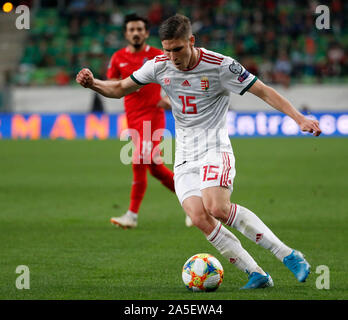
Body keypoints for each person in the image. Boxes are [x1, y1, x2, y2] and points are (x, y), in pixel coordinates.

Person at [76, 14, 322, 289]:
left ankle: (288, 255)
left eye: (178, 49)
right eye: (167, 49)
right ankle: (256, 274)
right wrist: (93, 84)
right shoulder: (158, 66)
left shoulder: (221, 66)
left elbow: (263, 91)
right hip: (184, 154)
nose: (172, 57)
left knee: (217, 206)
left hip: (215, 148)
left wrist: (299, 118)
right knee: (197, 216)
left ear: (191, 41)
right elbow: (121, 87)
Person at [106, 14, 192, 228]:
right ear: (126, 33)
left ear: (146, 33)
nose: (135, 33)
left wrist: (169, 100)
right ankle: (194, 203)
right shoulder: (117, 58)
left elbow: (179, 78)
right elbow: (113, 84)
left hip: (152, 118)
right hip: (132, 118)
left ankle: (132, 216)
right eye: (131, 29)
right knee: (154, 168)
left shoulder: (158, 55)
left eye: (139, 29)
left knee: (139, 160)